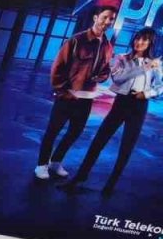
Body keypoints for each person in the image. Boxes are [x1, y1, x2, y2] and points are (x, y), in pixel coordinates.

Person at [65, 26, 161, 196]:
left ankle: (110, 186)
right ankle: (80, 177)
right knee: (98, 141)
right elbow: (118, 78)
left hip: (139, 105)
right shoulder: (121, 58)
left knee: (126, 148)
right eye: (138, 38)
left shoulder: (156, 64)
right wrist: (142, 68)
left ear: (150, 43)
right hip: (121, 103)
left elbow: (160, 86)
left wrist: (146, 93)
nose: (139, 42)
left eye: (144, 40)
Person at [38, 4, 116, 180]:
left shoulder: (107, 46)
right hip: (67, 96)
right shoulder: (76, 40)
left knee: (75, 132)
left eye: (111, 19)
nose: (107, 22)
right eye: (105, 17)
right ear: (95, 18)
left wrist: (102, 77)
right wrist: (62, 91)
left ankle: (56, 162)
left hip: (87, 98)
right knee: (53, 131)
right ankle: (41, 165)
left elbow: (105, 70)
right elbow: (58, 67)